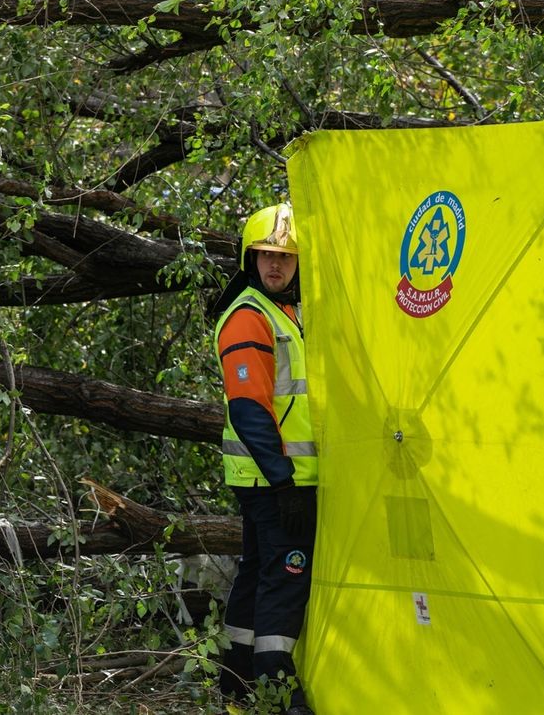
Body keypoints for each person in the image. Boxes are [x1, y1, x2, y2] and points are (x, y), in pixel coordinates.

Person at [212, 203, 318, 715]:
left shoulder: (286, 313)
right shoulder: (249, 317)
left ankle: (235, 689)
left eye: (286, 256)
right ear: (249, 259)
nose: (276, 264)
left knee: (257, 574)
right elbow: (250, 409)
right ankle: (280, 697)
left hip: (271, 477)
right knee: (285, 578)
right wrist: (284, 483)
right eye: (266, 254)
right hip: (275, 479)